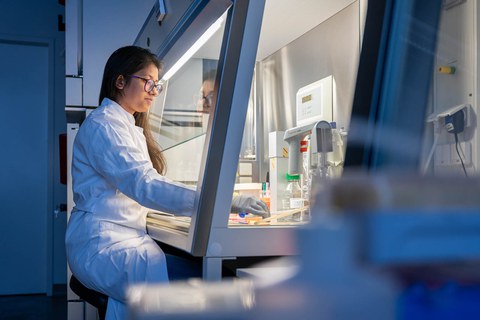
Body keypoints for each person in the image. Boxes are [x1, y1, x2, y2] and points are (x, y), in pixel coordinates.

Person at [65, 46, 269, 320]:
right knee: (214, 285)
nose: (153, 90)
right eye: (148, 81)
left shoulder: (124, 126)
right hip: (102, 245)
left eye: (157, 85)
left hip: (122, 239)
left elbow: (148, 182)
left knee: (206, 278)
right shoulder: (105, 126)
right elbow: (145, 184)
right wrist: (223, 202)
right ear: (121, 81)